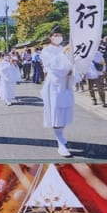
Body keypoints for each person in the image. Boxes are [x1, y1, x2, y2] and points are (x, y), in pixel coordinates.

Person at [40, 25, 74, 157]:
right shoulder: (46, 51)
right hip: (54, 85)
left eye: (60, 35)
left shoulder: (64, 49)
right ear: (50, 37)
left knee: (65, 111)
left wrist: (73, 71)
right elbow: (51, 65)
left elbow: (72, 64)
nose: (58, 37)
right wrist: (63, 53)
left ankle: (61, 136)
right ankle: (60, 143)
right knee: (56, 113)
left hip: (65, 84)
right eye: (55, 35)